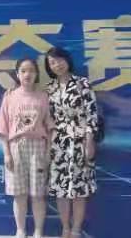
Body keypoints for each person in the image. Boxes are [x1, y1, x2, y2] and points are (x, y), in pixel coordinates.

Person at [0, 58, 54, 238]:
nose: (28, 74)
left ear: (37, 74)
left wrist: (48, 151)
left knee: (38, 194)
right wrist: (6, 154)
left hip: (38, 148)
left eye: (32, 71)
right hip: (16, 148)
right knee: (19, 194)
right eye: (23, 71)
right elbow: (3, 127)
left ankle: (38, 230)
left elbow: (50, 126)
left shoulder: (43, 96)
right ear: (17, 74)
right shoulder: (9, 97)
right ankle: (20, 230)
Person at [45, 47, 99, 238]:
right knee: (61, 190)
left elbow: (92, 115)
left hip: (79, 143)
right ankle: (65, 228)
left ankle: (76, 229)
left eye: (59, 60)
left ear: (67, 60)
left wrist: (89, 142)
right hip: (58, 145)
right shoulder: (49, 88)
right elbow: (46, 117)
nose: (57, 65)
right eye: (52, 63)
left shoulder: (82, 84)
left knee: (79, 190)